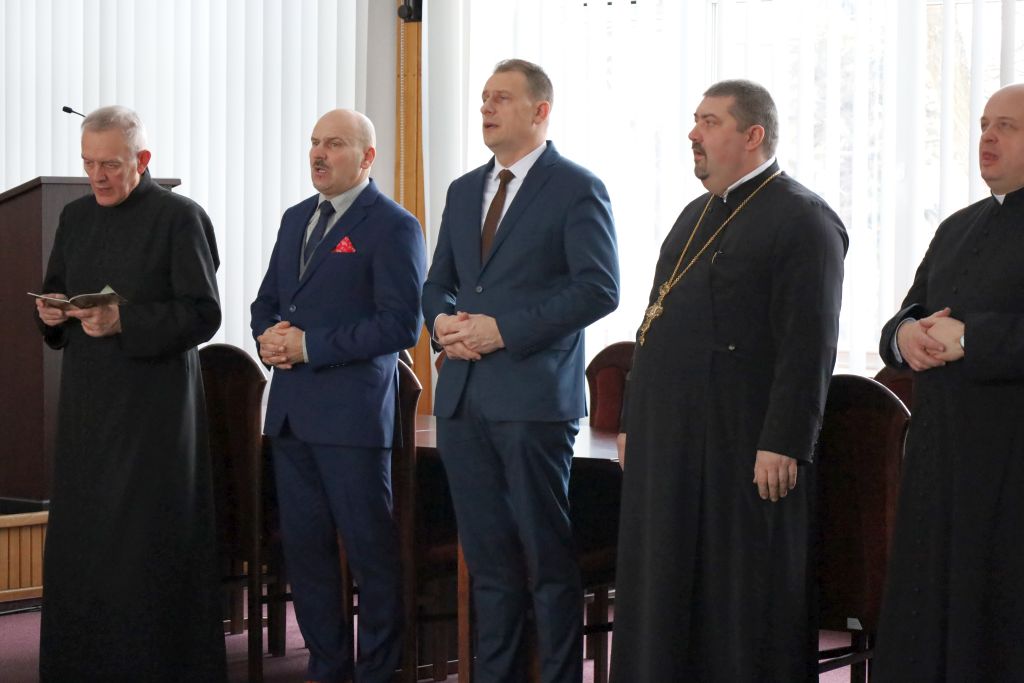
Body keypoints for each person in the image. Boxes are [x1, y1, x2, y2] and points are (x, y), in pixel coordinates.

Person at [610, 80, 848, 682]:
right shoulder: (695, 214)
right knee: (663, 594)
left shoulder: (803, 218)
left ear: (752, 135)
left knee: (736, 603)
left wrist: (785, 440)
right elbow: (653, 323)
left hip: (743, 446)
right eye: (696, 120)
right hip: (670, 444)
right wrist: (634, 419)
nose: (693, 134)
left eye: (710, 122)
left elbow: (809, 343)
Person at [422, 58, 619, 683]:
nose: (486, 107)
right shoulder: (462, 190)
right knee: (488, 563)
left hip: (533, 399)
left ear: (540, 111)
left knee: (545, 561)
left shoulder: (576, 187)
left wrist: (503, 330)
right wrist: (441, 324)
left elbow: (599, 289)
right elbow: (438, 283)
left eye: (501, 98)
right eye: (483, 97)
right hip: (463, 398)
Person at [34, 105, 225, 681]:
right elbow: (56, 290)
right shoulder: (74, 217)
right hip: (88, 405)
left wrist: (125, 321)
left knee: (143, 544)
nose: (98, 176)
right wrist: (51, 313)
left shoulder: (180, 218)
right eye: (89, 164)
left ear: (142, 159)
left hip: (154, 412)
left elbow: (203, 313)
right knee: (85, 541)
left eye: (111, 165)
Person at [251, 108, 426, 683]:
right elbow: (266, 303)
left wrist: (309, 346)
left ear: (367, 156)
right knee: (307, 557)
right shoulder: (295, 218)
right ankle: (326, 668)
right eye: (314, 143)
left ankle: (377, 672)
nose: (318, 154)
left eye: (334, 144)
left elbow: (401, 325)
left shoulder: (394, 225)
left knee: (371, 558)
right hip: (291, 419)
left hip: (352, 421)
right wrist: (267, 337)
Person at [873, 83, 1024, 682]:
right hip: (939, 459)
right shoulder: (958, 226)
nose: (988, 136)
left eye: (1007, 126)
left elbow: (973, 334)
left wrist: (975, 338)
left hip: (1008, 466)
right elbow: (905, 314)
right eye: (985, 123)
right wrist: (904, 336)